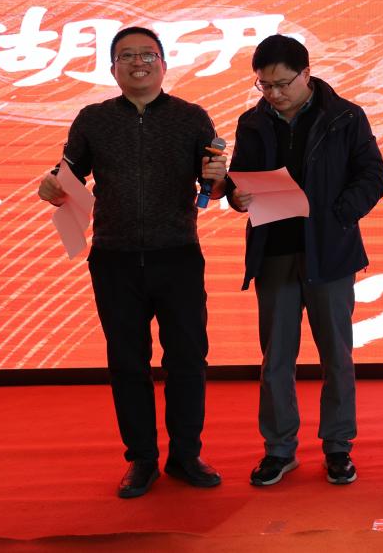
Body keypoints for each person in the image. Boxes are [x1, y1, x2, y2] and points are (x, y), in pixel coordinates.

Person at [37, 26, 226, 498]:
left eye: (147, 54)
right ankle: (141, 459)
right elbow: (68, 177)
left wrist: (221, 179)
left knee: (187, 359)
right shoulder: (93, 119)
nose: (138, 63)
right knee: (127, 362)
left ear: (163, 64)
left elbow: (213, 188)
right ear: (113, 68)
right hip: (114, 258)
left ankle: (186, 455)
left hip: (178, 254)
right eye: (127, 56)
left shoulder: (191, 117)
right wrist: (52, 188)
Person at [225, 34, 383, 487]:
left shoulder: (345, 116)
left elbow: (373, 175)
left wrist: (337, 215)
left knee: (336, 355)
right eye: (265, 85)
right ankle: (279, 449)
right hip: (274, 250)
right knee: (276, 357)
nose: (274, 94)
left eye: (282, 83)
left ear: (307, 73)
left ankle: (338, 446)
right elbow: (239, 180)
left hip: (330, 250)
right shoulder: (252, 122)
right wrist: (237, 197)